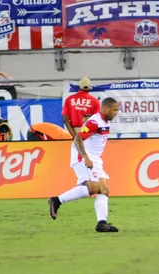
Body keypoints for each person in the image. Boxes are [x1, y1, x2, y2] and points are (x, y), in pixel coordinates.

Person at [48, 97, 119, 233]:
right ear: (105, 109)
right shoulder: (94, 122)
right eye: (114, 110)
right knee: (93, 187)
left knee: (104, 190)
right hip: (82, 156)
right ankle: (57, 200)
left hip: (95, 158)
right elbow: (78, 138)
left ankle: (102, 223)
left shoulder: (105, 121)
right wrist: (85, 157)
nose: (116, 113)